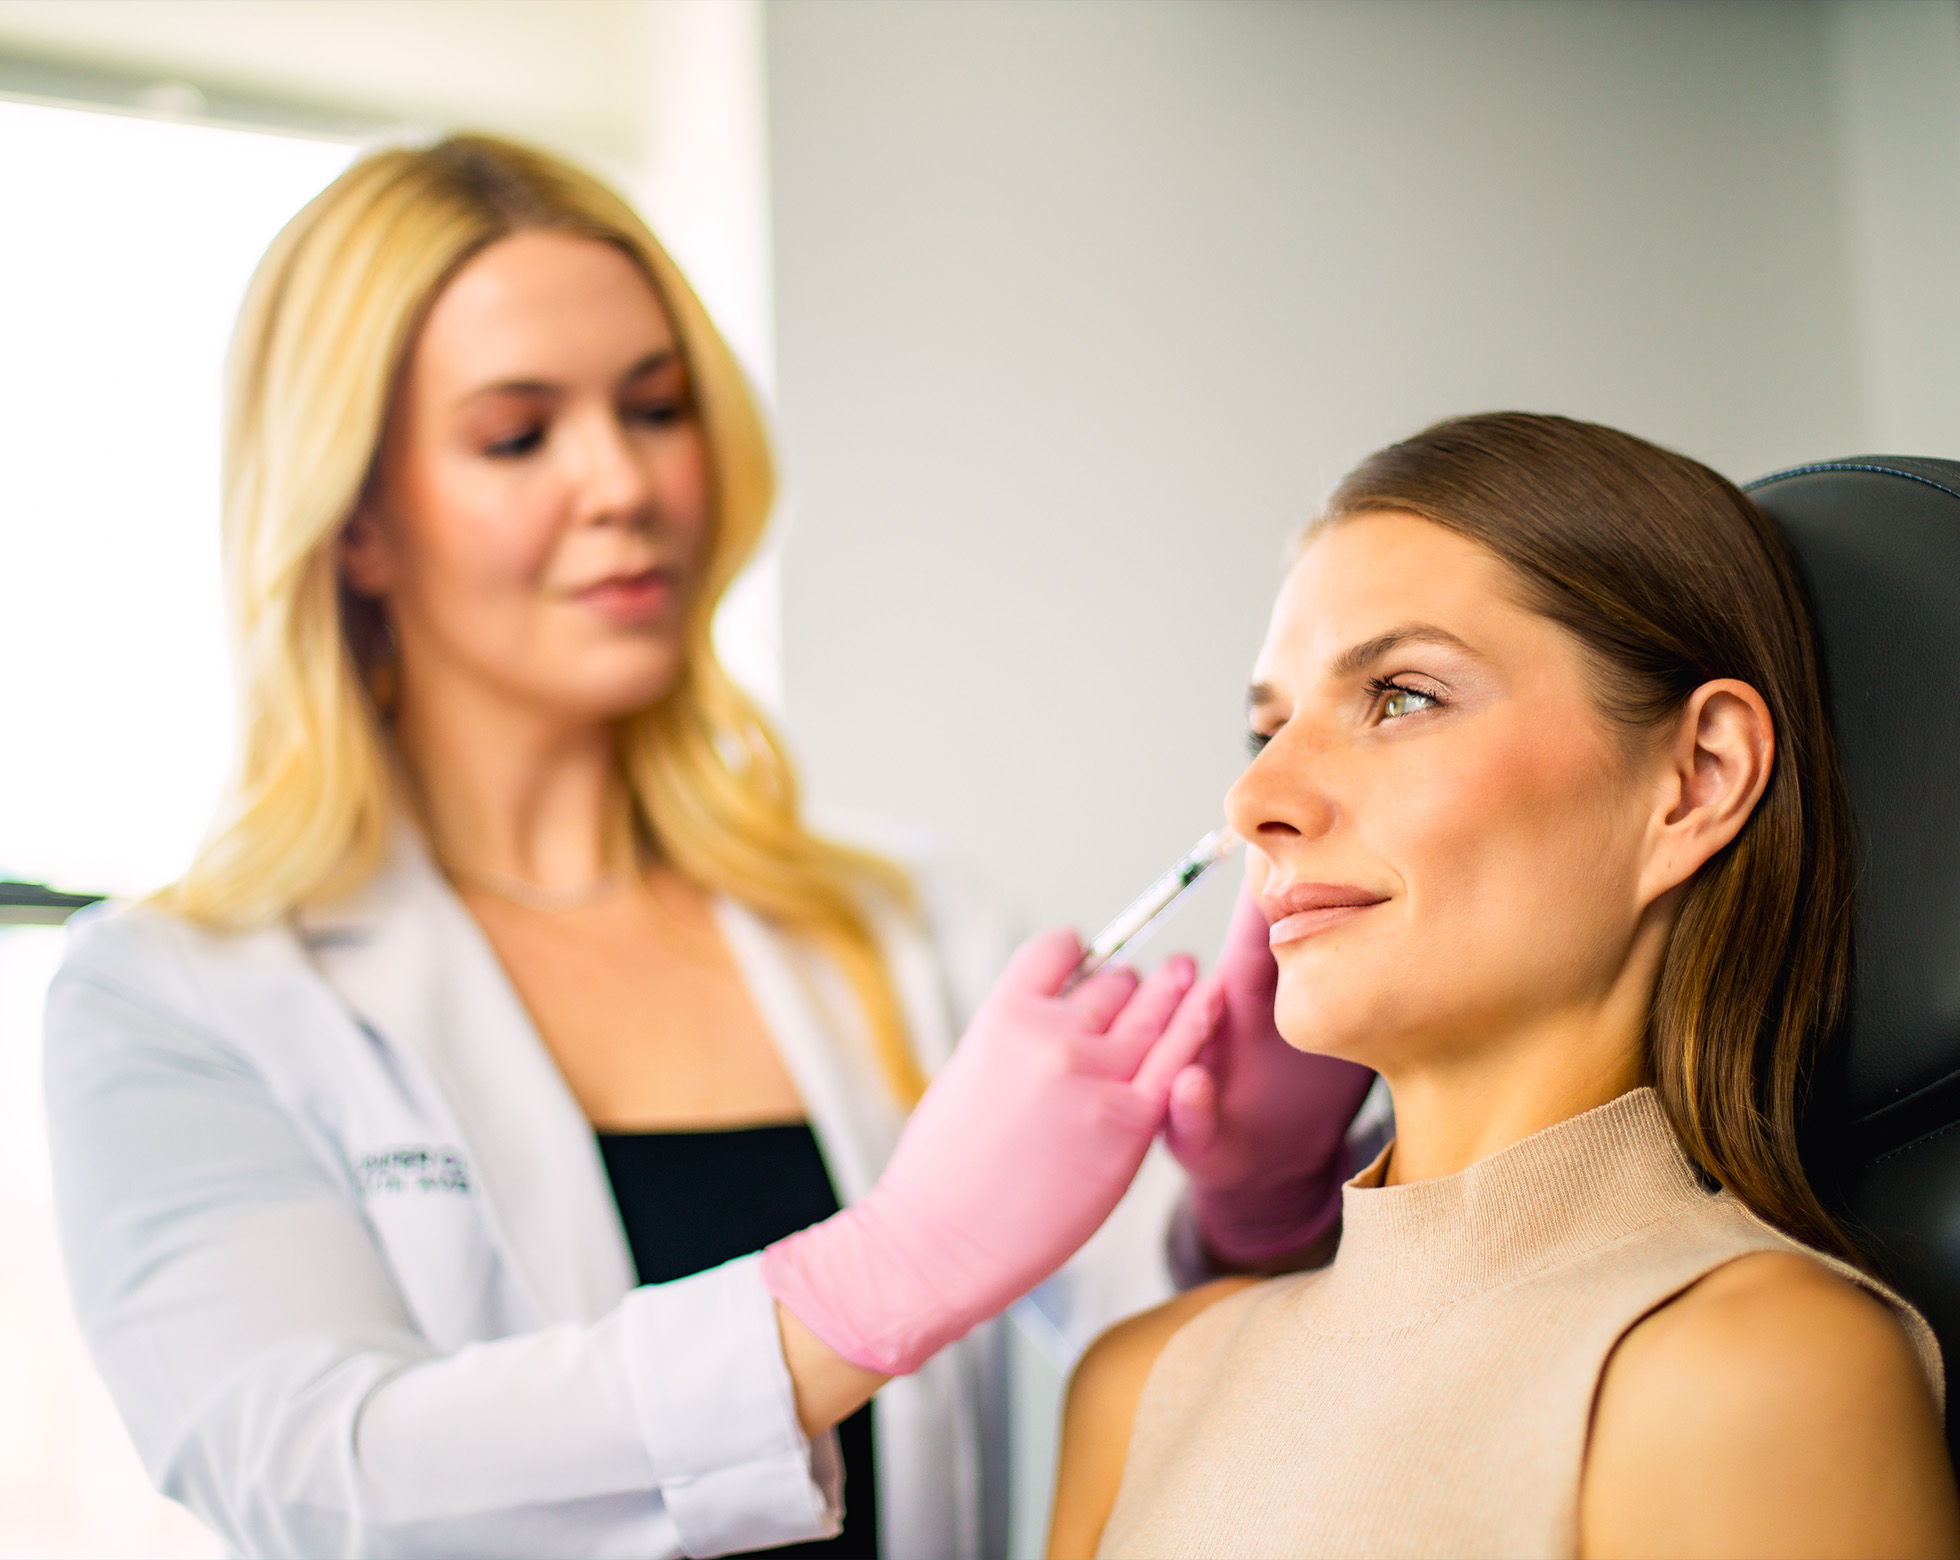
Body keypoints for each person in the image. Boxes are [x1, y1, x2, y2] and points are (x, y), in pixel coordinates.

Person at [41, 135, 1373, 1560]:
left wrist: (1248, 1209)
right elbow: (315, 1472)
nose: (623, 482)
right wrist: (879, 1274)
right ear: (356, 522)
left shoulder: (905, 925)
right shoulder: (177, 996)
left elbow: (1191, 1380)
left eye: (657, 408)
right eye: (518, 433)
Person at [1047, 413, 1960, 1560]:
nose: (1254, 802)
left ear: (1695, 778)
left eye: (1400, 696)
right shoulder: (1137, 1390)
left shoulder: (1747, 1372)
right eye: (1266, 729)